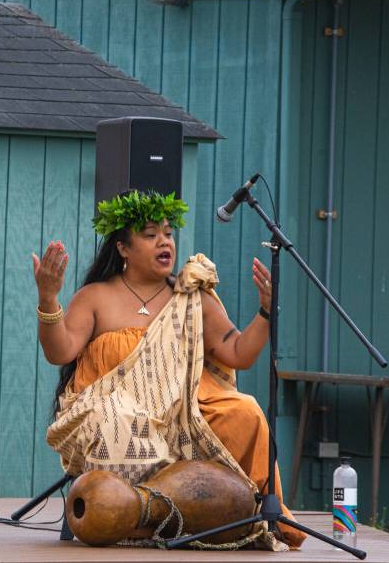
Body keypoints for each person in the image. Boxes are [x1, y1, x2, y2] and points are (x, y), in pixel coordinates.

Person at [35, 190, 305, 548]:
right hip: (112, 406)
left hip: (185, 409)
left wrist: (266, 312)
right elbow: (60, 351)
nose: (164, 241)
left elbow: (238, 352)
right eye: (150, 235)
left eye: (168, 233)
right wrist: (48, 297)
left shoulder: (191, 298)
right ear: (123, 249)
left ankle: (252, 517)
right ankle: (141, 519)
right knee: (125, 422)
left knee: (246, 412)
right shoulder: (96, 297)